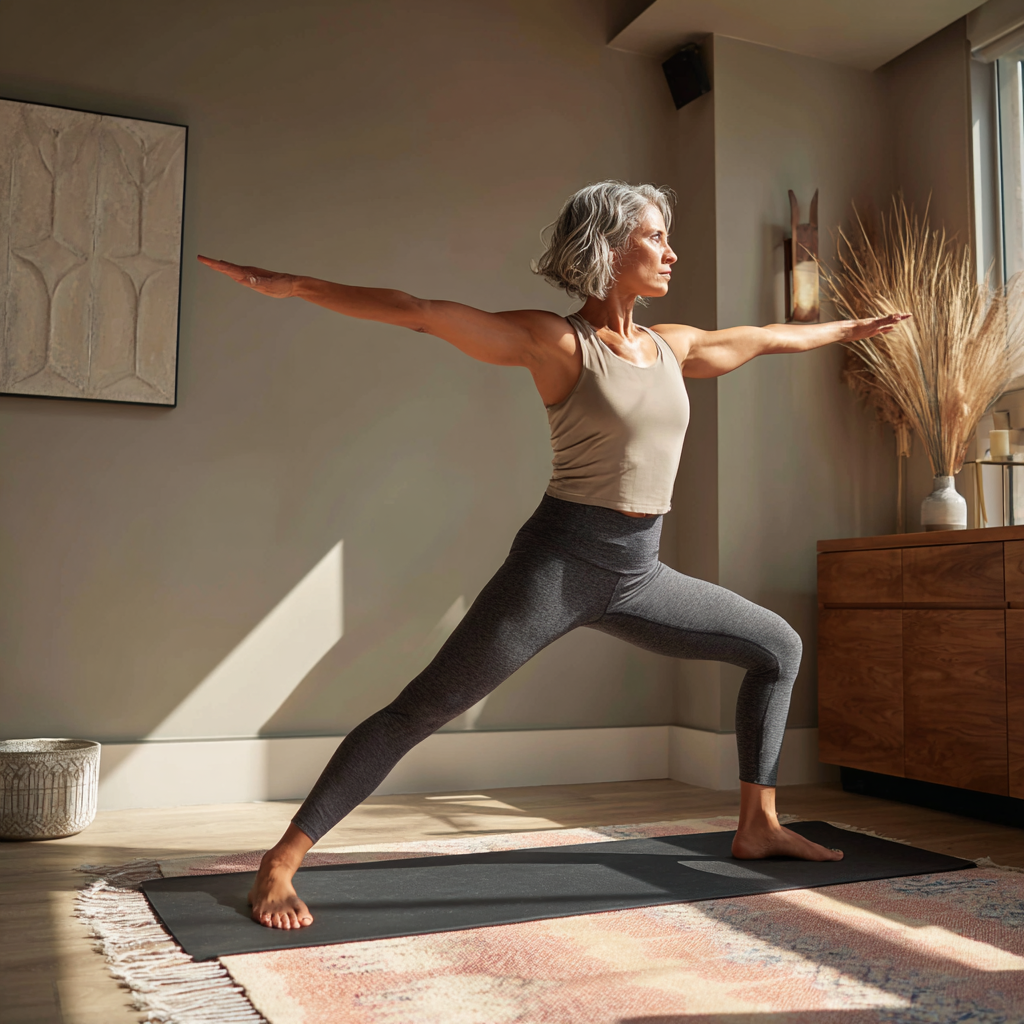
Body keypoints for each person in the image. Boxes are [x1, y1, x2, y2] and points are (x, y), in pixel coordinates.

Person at [198, 180, 908, 930]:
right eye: (655, 238)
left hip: (640, 574)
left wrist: (849, 329)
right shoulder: (558, 343)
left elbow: (764, 337)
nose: (671, 253)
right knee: (421, 709)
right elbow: (421, 312)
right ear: (609, 248)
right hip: (559, 566)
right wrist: (297, 286)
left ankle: (758, 824)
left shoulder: (673, 347)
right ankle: (281, 861)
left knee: (776, 647)